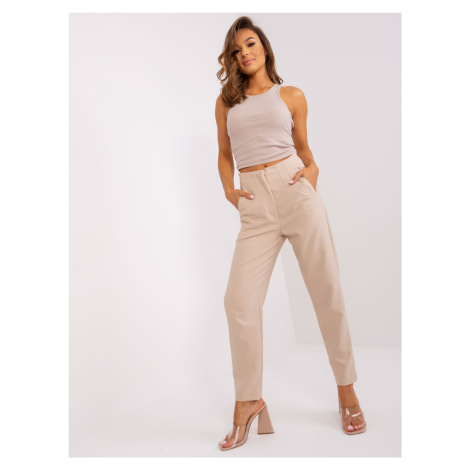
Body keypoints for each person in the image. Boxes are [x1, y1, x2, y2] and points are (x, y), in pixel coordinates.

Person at [214, 16, 367, 451]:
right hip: (255, 205)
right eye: (236, 49)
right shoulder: (226, 103)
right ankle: (249, 400)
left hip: (294, 191)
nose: (244, 53)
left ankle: (346, 390)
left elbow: (304, 150)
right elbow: (224, 154)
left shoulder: (291, 95)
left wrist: (312, 170)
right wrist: (229, 190)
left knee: (326, 290)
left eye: (250, 43)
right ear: (232, 58)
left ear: (264, 47)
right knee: (239, 302)